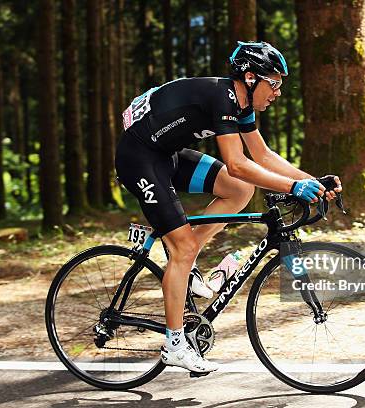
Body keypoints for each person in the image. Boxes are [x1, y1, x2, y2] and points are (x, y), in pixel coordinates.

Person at [115, 41, 343, 374]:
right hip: (139, 159)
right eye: (274, 83)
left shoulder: (242, 104)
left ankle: (185, 260)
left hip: (167, 155)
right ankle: (175, 343)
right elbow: (236, 163)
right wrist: (294, 187)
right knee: (187, 244)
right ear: (250, 78)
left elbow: (262, 156)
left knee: (239, 190)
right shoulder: (224, 97)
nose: (278, 92)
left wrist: (313, 182)